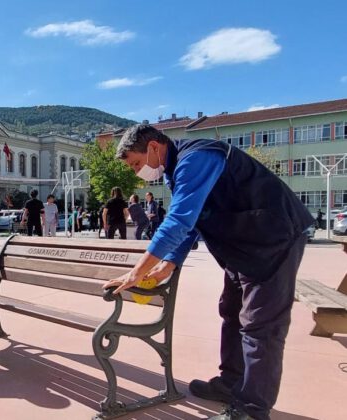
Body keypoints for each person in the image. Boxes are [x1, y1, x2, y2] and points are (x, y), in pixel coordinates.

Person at [104, 124, 313, 420]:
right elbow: (193, 222)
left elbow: (179, 220)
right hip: (246, 243)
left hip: (274, 236)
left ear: (153, 147)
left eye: (136, 163)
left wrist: (137, 271)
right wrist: (168, 264)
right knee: (231, 310)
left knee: (260, 326)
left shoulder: (196, 158)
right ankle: (230, 383)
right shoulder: (176, 170)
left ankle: (252, 410)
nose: (137, 171)